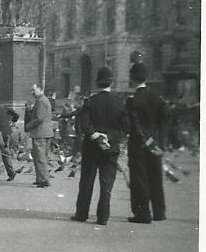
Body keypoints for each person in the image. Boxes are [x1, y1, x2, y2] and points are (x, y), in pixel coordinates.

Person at [71, 67, 129, 226]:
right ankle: (103, 216)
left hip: (91, 147)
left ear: (97, 83)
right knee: (107, 183)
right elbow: (125, 127)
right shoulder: (119, 102)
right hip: (111, 148)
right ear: (112, 82)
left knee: (86, 182)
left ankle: (82, 213)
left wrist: (96, 136)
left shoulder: (90, 101)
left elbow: (84, 124)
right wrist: (108, 137)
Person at [126, 63, 167, 224]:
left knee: (140, 179)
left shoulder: (132, 100)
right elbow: (164, 122)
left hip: (139, 145)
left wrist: (147, 142)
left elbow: (135, 126)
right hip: (156, 144)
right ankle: (159, 212)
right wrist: (159, 143)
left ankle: (143, 214)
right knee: (156, 177)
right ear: (146, 78)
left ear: (131, 79)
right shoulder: (157, 98)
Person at [25, 84, 53, 187]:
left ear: (41, 90)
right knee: (42, 156)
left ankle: (43, 180)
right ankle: (41, 178)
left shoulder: (41, 101)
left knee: (39, 157)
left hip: (40, 133)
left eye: (34, 90)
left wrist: (28, 126)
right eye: (31, 90)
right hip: (46, 132)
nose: (32, 92)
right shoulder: (44, 99)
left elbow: (39, 118)